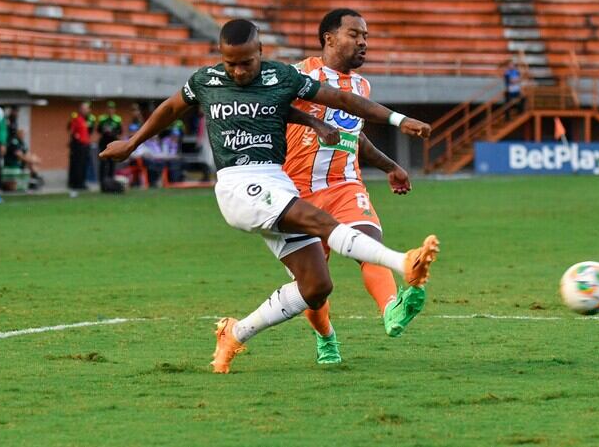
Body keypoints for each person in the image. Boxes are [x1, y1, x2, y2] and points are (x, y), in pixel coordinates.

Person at [100, 19, 438, 374]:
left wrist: (395, 120)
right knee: (321, 222)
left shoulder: (281, 77)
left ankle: (235, 333)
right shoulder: (205, 80)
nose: (238, 71)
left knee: (316, 286)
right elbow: (171, 109)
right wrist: (132, 143)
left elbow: (338, 100)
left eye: (246, 62)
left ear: (260, 52)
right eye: (230, 63)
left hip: (277, 183)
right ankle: (402, 262)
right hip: (238, 185)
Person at [283, 8, 424, 365]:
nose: (363, 42)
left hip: (345, 184)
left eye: (365, 36)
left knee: (368, 243)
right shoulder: (299, 74)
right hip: (297, 192)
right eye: (354, 34)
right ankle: (325, 337)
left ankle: (391, 309)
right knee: (312, 287)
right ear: (329, 38)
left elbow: (355, 136)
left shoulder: (362, 86)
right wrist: (313, 124)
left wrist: (390, 166)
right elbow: (273, 111)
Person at [97, 101, 123, 186]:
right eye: (109, 108)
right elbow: (98, 130)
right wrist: (105, 131)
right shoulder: (102, 119)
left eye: (112, 108)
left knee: (112, 162)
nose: (110, 110)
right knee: (103, 162)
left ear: (114, 110)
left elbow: (120, 131)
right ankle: (102, 181)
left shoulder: (117, 119)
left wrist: (112, 132)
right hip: (104, 143)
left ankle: (111, 181)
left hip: (113, 142)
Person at [68, 102, 91, 196]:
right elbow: (72, 131)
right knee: (78, 165)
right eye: (85, 109)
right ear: (80, 109)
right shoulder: (76, 119)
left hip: (85, 145)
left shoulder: (86, 120)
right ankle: (76, 183)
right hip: (78, 145)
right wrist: (77, 139)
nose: (87, 111)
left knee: (83, 165)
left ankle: (81, 182)